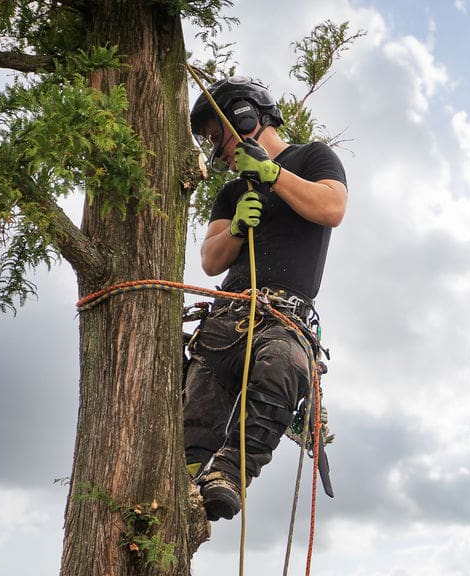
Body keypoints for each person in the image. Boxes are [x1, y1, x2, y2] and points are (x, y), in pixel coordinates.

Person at [184, 76, 347, 521]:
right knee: (200, 395)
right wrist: (236, 228)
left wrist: (274, 176)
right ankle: (189, 476)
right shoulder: (232, 192)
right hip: (229, 315)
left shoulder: (312, 158)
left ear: (245, 115)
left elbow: (332, 208)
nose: (217, 151)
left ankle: (231, 475)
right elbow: (211, 260)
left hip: (284, 316)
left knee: (283, 369)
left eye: (218, 137)